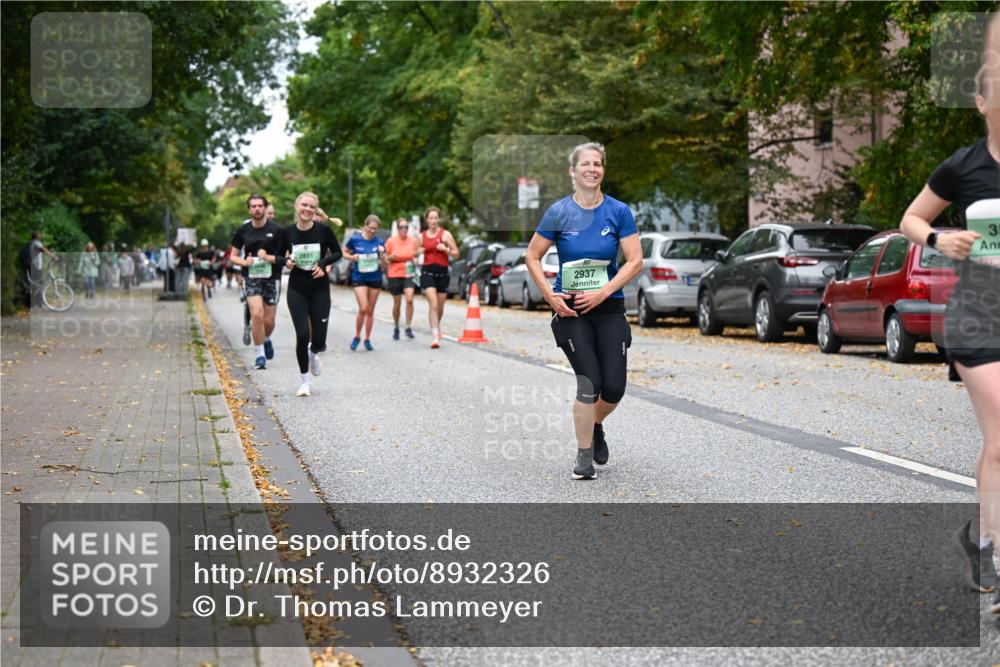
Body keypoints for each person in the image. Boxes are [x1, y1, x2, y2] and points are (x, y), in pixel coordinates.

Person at [900, 63, 1000, 612]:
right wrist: (941, 236)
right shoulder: (963, 166)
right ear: (981, 104)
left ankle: (978, 536)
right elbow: (913, 218)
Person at [524, 142, 642, 480]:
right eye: (585, 164)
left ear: (603, 169)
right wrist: (549, 294)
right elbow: (532, 256)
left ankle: (597, 424)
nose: (592, 169)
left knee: (614, 387)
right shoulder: (558, 212)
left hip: (609, 308)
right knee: (589, 380)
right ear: (572, 171)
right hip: (572, 310)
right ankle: (584, 454)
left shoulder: (618, 211)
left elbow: (635, 260)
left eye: (598, 164)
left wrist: (604, 292)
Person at [275, 192, 343, 396]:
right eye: (304, 205)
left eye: (312, 207)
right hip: (297, 288)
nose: (307, 209)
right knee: (303, 334)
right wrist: (286, 261)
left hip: (320, 288)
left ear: (316, 210)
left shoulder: (323, 230)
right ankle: (304, 381)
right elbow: (278, 256)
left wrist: (323, 264)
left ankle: (314, 355)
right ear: (297, 206)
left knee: (319, 340)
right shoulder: (287, 232)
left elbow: (337, 252)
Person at [229, 195, 283, 370]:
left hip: (272, 278)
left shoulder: (277, 230)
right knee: (257, 314)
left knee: (269, 321)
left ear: (266, 208)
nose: (257, 209)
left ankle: (266, 339)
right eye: (254, 206)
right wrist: (245, 263)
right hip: (251, 277)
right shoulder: (243, 230)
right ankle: (260, 355)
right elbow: (233, 256)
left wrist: (268, 258)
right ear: (249, 210)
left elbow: (286, 256)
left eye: (260, 206)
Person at [343, 214, 387, 351]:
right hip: (359, 277)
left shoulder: (379, 242)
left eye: (375, 229)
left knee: (370, 310)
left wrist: (382, 255)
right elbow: (343, 252)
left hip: (375, 278)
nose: (372, 231)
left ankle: (367, 338)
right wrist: (352, 257)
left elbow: (385, 266)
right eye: (370, 227)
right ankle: (357, 336)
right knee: (363, 307)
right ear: (365, 225)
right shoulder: (355, 239)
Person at [418, 206, 459, 348]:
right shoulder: (421, 236)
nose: (434, 220)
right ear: (427, 220)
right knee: (433, 304)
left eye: (436, 218)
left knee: (440, 307)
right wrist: (419, 251)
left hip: (442, 273)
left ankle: (437, 325)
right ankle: (435, 335)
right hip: (427, 273)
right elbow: (414, 252)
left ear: (438, 219)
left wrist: (446, 250)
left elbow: (456, 253)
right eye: (431, 218)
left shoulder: (445, 235)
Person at [385, 217, 419, 340]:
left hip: (409, 273)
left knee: (409, 299)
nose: (404, 229)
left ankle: (408, 326)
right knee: (397, 303)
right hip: (394, 274)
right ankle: (396, 326)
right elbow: (385, 258)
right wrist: (390, 257)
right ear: (397, 228)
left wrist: (416, 259)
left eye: (406, 227)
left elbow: (417, 254)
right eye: (401, 227)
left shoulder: (413, 241)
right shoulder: (391, 241)